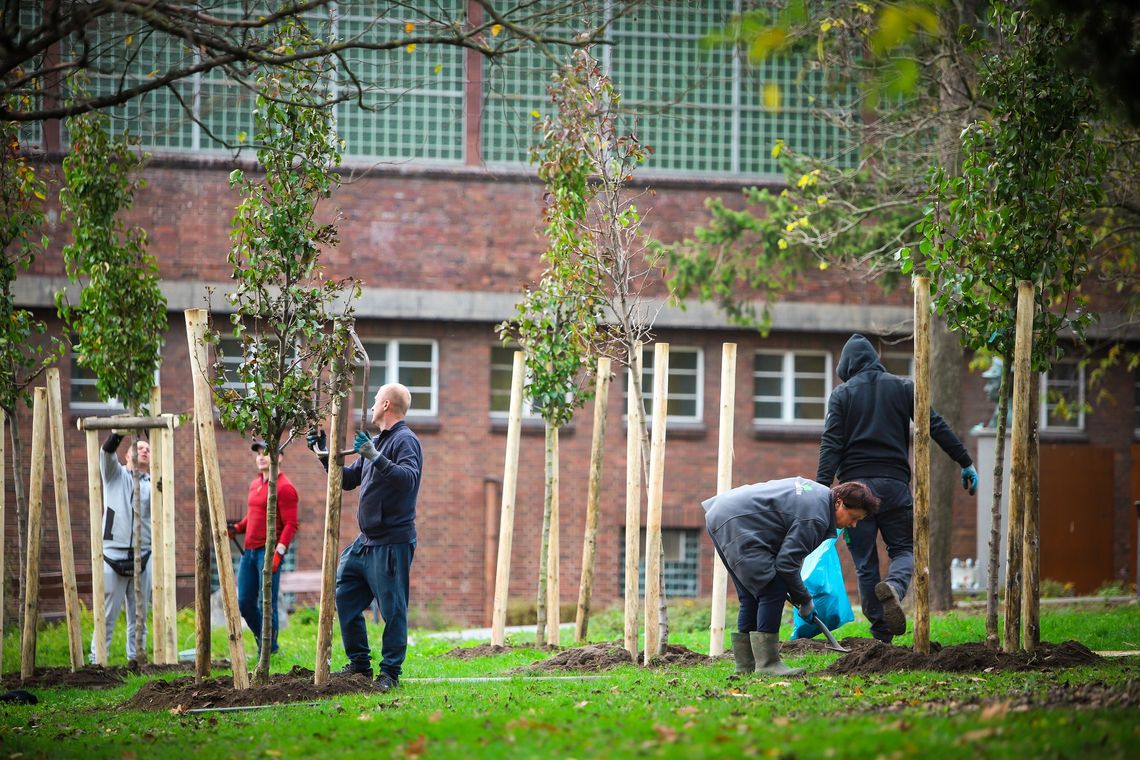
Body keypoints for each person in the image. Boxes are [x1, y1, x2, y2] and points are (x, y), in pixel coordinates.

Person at [816, 333, 979, 643]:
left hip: (854, 492)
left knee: (865, 562)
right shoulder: (904, 388)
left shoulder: (842, 395)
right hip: (894, 487)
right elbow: (935, 424)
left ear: (847, 367)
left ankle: (880, 633)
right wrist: (965, 461)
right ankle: (895, 586)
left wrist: (821, 490)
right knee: (904, 549)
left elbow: (831, 444)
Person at [307, 383, 423, 692]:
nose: (371, 406)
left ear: (386, 405)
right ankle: (360, 663)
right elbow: (346, 480)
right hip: (366, 541)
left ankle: (390, 674)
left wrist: (375, 457)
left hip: (392, 541)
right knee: (344, 596)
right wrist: (321, 453)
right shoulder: (375, 441)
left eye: (375, 401)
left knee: (393, 609)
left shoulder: (405, 441)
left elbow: (408, 480)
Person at [703, 478, 880, 676]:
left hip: (721, 513)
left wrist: (799, 594)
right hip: (738, 521)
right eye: (853, 517)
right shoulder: (816, 518)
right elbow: (786, 564)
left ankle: (745, 666)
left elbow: (787, 556)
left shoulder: (820, 497)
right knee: (773, 589)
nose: (853, 524)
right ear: (838, 502)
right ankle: (768, 665)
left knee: (751, 595)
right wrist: (804, 599)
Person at [228, 439, 299, 656]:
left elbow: (291, 525)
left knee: (267, 603)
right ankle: (268, 643)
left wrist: (278, 552)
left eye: (265, 452)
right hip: (249, 553)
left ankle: (268, 649)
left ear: (279, 457)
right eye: (258, 453)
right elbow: (254, 514)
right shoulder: (255, 484)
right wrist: (239, 527)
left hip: (267, 554)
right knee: (245, 602)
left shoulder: (285, 487)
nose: (260, 456)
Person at [90, 432, 151, 667]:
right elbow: (105, 453)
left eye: (148, 449)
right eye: (138, 447)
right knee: (107, 613)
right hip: (113, 552)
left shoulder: (155, 483)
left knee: (139, 615)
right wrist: (118, 433)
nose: (144, 450)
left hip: (143, 553)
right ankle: (98, 662)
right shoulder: (114, 475)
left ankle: (136, 659)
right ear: (126, 456)